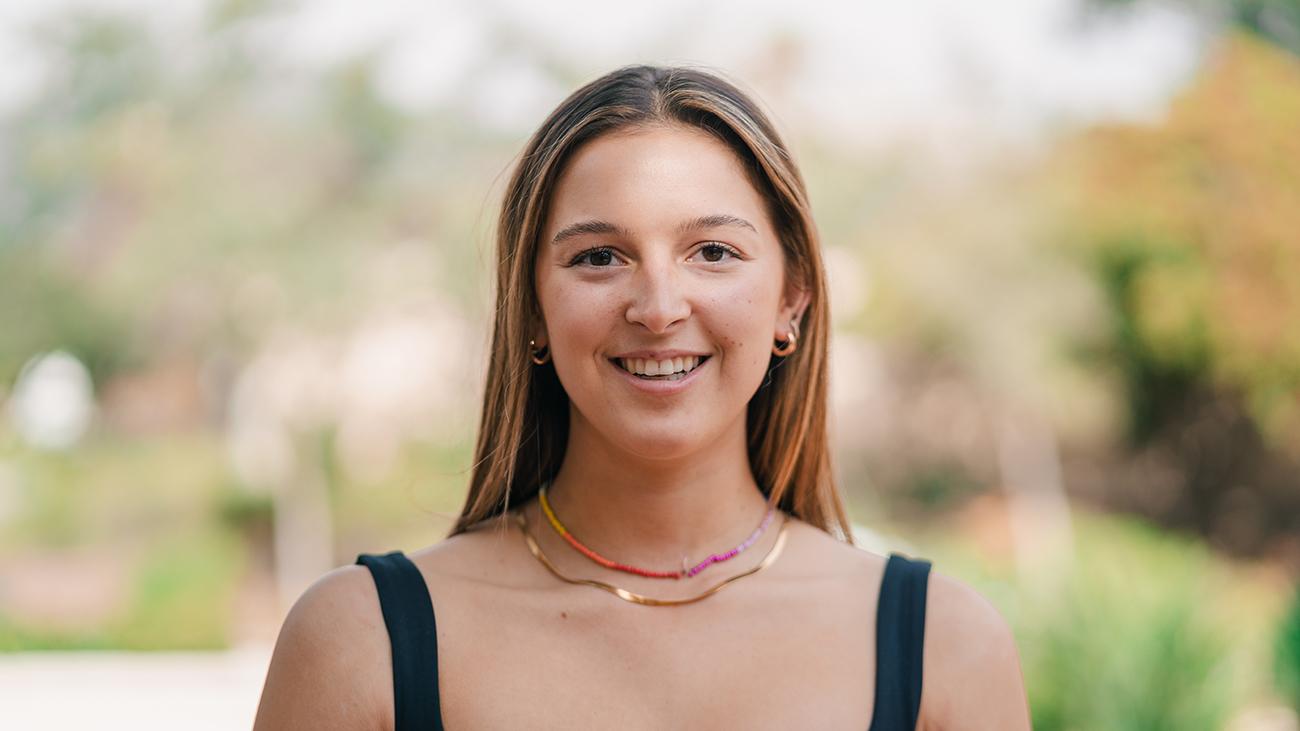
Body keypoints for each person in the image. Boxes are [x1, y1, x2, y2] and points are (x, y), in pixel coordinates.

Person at [253, 64, 1032, 730]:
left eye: (714, 252)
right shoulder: (362, 641)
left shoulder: (944, 648)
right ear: (532, 306)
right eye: (599, 256)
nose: (657, 307)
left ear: (792, 296)